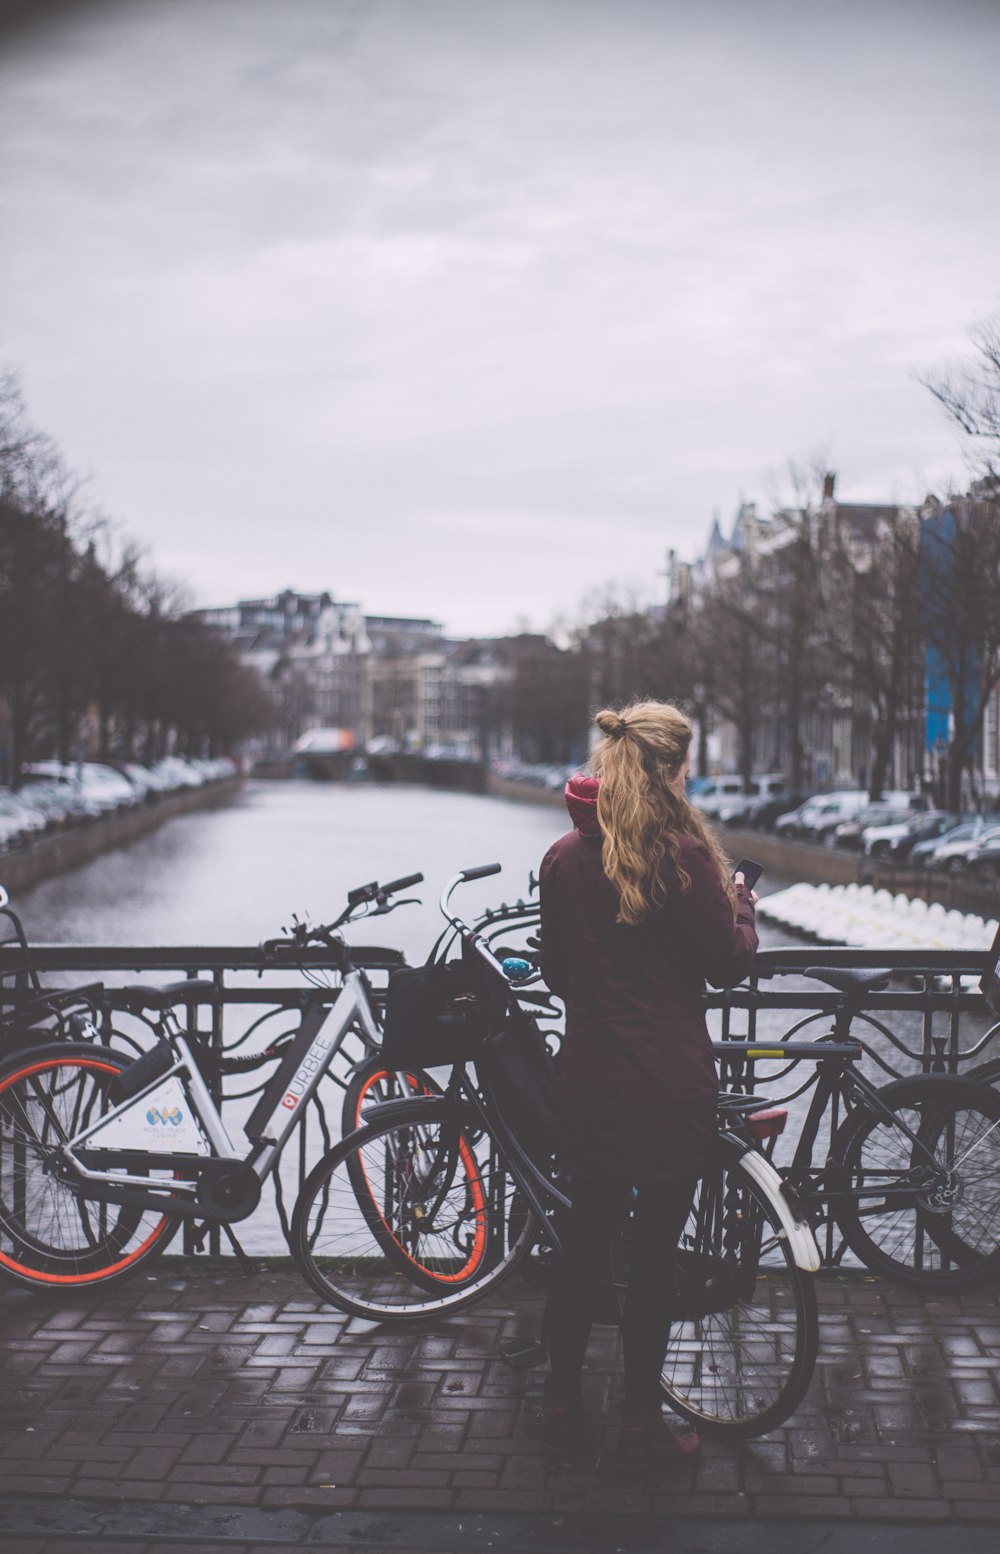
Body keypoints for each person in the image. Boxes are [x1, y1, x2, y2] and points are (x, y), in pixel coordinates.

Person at [538, 700, 758, 1467]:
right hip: (669, 1086)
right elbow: (725, 966)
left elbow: (557, 973)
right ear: (670, 770)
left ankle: (561, 1405)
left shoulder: (565, 858)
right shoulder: (685, 860)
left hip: (592, 1079)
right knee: (655, 1261)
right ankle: (639, 1419)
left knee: (582, 1249)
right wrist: (744, 910)